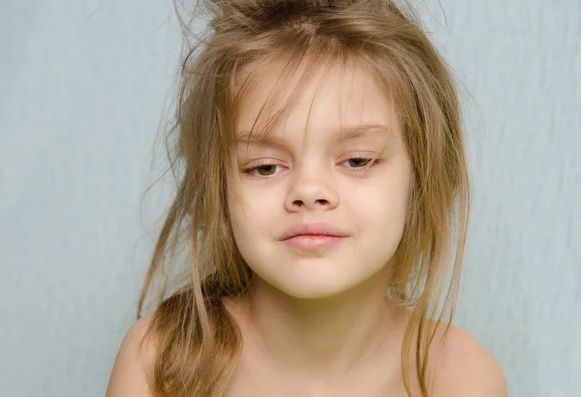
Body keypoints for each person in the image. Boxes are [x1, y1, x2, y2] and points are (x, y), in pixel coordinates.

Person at [106, 0, 507, 396]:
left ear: (421, 179)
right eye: (265, 167)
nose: (309, 191)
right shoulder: (159, 359)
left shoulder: (461, 378)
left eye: (356, 160)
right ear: (218, 190)